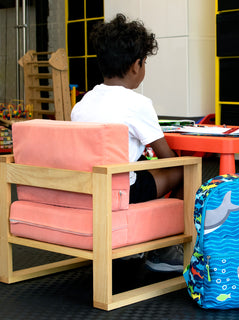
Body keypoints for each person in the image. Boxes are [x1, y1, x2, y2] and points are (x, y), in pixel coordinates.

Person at [71, 13, 184, 272]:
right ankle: (164, 250)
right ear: (137, 65)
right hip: (122, 191)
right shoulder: (137, 104)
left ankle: (129, 243)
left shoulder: (83, 102)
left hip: (88, 190)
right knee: (183, 170)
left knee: (142, 164)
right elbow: (167, 157)